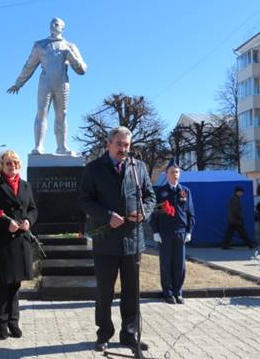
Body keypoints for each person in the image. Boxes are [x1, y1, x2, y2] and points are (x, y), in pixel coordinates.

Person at [79, 126, 155, 352]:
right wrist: (107, 215)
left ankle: (129, 334)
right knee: (105, 292)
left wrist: (144, 212)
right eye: (119, 144)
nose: (123, 149)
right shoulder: (93, 169)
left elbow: (150, 196)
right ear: (108, 144)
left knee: (132, 292)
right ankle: (104, 333)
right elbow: (85, 200)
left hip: (133, 240)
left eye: (127, 145)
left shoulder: (137, 167)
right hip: (106, 241)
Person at [7, 17, 87, 155]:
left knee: (62, 115)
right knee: (41, 113)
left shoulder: (70, 46)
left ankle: (62, 147)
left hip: (62, 83)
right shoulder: (40, 45)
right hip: (45, 83)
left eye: (57, 24)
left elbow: (82, 70)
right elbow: (29, 65)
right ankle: (38, 146)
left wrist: (72, 57)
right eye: (51, 24)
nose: (53, 26)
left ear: (62, 28)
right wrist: (19, 83)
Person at [0, 150, 38, 340]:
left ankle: (14, 322)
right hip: (2, 243)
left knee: (15, 285)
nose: (12, 166)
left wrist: (28, 221)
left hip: (21, 242)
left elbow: (32, 209)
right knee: (2, 286)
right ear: (1, 166)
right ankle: (2, 324)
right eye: (8, 163)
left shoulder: (26, 186)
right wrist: (6, 223)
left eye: (14, 162)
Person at [150, 159, 195, 304]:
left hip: (181, 233)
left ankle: (178, 291)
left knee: (179, 264)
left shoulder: (185, 191)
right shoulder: (159, 192)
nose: (175, 174)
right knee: (166, 263)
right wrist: (155, 231)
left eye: (177, 172)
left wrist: (189, 231)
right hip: (165, 233)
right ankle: (168, 292)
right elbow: (154, 214)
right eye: (172, 172)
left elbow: (191, 214)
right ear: (166, 174)